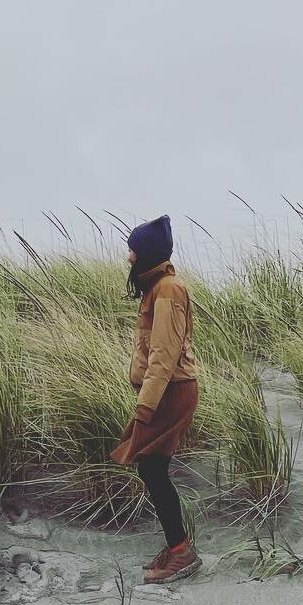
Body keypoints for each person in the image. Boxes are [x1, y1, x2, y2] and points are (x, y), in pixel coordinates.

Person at [110, 215, 201, 583]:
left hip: (171, 391)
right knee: (153, 468)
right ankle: (177, 547)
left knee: (150, 468)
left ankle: (181, 552)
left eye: (133, 250)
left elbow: (164, 354)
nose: (129, 257)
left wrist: (145, 406)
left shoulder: (168, 290)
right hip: (165, 390)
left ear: (147, 254)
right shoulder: (158, 287)